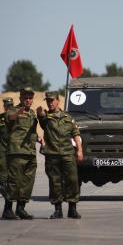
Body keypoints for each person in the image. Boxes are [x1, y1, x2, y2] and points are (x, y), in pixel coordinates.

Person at [37, 91, 84, 219]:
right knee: (55, 182)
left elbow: (76, 134)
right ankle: (58, 210)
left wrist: (79, 150)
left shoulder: (68, 117)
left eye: (52, 100)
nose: (50, 103)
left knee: (73, 180)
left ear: (58, 101)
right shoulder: (46, 118)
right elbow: (41, 118)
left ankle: (72, 209)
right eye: (48, 101)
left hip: (68, 153)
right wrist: (40, 113)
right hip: (52, 154)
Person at [3, 87, 39, 220]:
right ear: (20, 98)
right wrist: (18, 112)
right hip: (17, 151)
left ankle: (21, 208)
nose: (28, 100)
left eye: (30, 98)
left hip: (30, 152)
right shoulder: (13, 110)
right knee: (14, 181)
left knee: (27, 182)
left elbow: (32, 131)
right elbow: (9, 118)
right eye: (25, 98)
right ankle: (7, 210)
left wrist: (40, 139)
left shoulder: (32, 113)